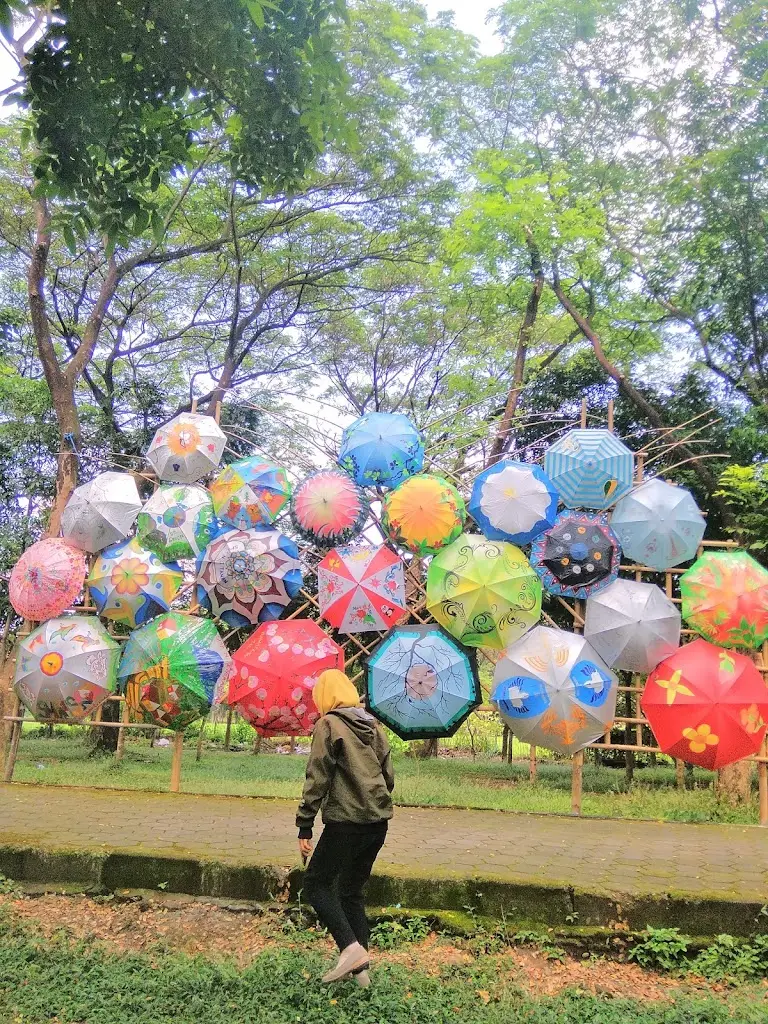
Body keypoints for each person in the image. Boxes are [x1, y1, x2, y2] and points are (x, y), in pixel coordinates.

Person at [297, 669, 394, 987]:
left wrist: (305, 825)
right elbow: (388, 777)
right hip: (377, 823)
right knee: (350, 891)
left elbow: (318, 777)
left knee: (315, 884)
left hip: (346, 824)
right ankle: (361, 974)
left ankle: (350, 949)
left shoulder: (328, 724)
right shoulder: (373, 725)